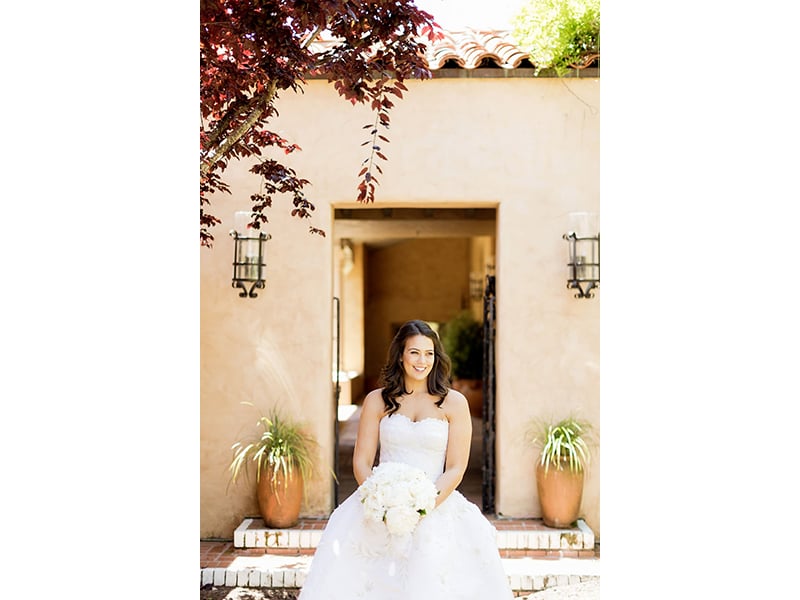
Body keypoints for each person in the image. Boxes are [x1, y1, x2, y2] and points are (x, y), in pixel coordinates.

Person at [298, 319, 513, 599]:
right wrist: (382, 503)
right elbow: (362, 461)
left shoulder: (454, 403)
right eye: (414, 352)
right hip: (379, 507)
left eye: (429, 353)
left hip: (436, 505)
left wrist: (420, 508)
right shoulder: (377, 400)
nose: (422, 360)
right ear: (401, 355)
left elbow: (457, 467)